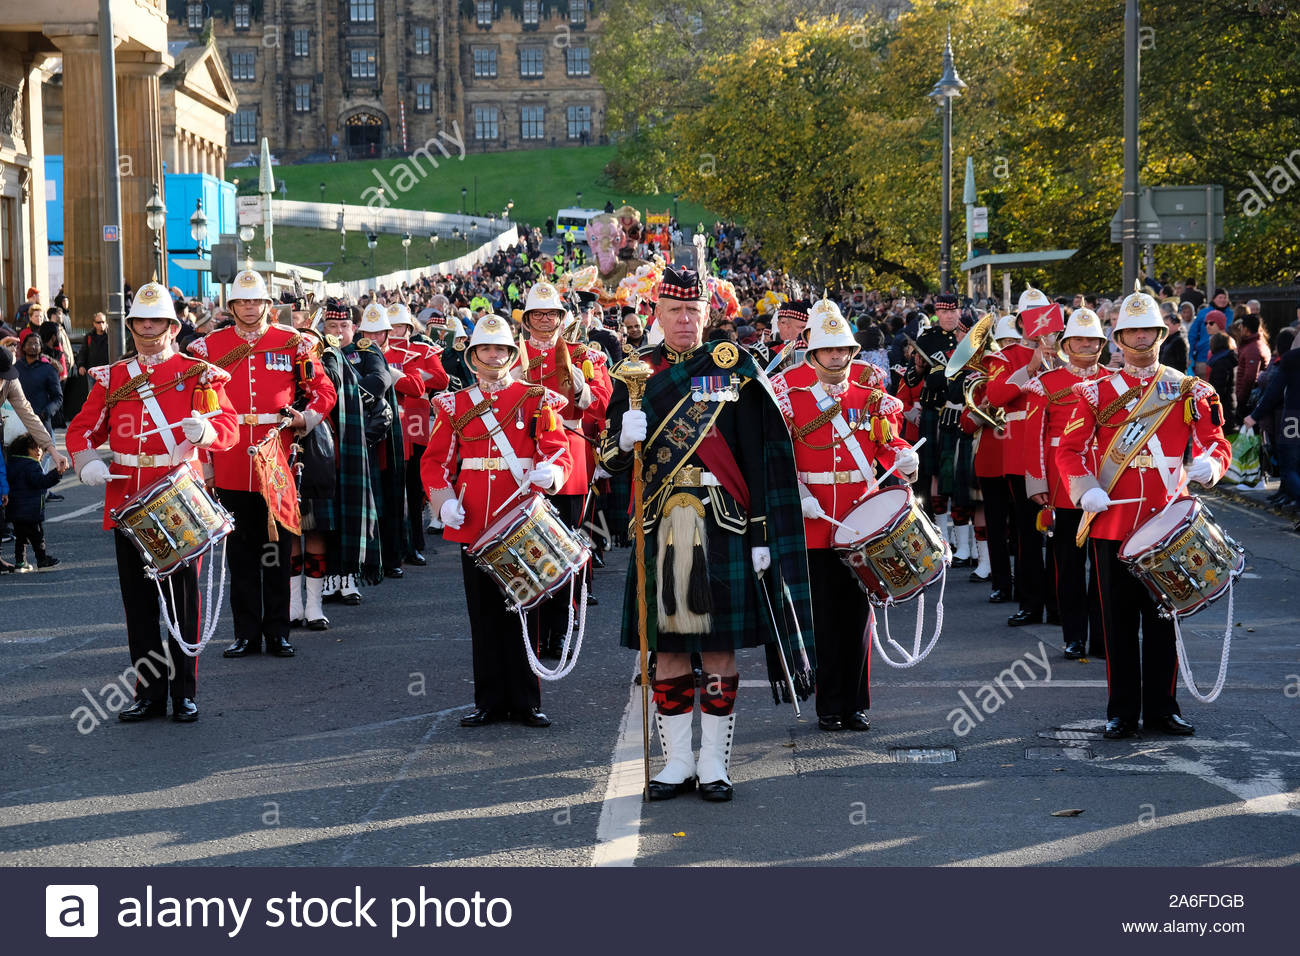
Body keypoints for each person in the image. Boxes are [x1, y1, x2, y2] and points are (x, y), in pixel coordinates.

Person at [599, 265, 815, 802]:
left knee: (719, 649)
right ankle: (676, 763)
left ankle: (715, 762)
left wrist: (763, 532)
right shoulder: (634, 374)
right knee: (668, 652)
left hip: (726, 523)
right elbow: (607, 460)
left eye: (693, 311)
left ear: (706, 314)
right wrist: (624, 443)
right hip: (659, 525)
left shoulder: (734, 366)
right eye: (674, 311)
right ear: (656, 314)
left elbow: (762, 454)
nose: (684, 321)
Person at [1057, 285, 1231, 739]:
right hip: (1112, 522)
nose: (1138, 339)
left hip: (1165, 525)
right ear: (1117, 338)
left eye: (1146, 331)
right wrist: (1086, 489)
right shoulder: (1095, 392)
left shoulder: (1186, 389)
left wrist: (1212, 464)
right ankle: (1122, 711)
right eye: (1130, 332)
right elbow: (1070, 451)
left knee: (1163, 622)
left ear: (1160, 332)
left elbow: (1217, 440)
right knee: (1116, 626)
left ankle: (1161, 709)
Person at [67, 281, 239, 722]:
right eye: (140, 321)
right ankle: (148, 692)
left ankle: (184, 691)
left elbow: (228, 423)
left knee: (183, 602)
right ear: (131, 327)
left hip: (179, 498)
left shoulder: (198, 373)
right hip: (127, 499)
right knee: (139, 605)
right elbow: (84, 429)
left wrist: (208, 432)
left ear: (172, 326)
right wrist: (86, 461)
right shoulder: (113, 378)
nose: (148, 328)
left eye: (156, 321)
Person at [421, 312, 573, 729]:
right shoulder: (454, 405)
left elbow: (557, 449)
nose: (493, 354)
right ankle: (488, 700)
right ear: (472, 355)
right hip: (473, 522)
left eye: (501, 348)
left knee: (526, 610)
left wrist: (553, 472)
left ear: (511, 353)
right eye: (485, 348)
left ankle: (526, 700)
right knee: (484, 615)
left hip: (521, 518)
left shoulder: (536, 398)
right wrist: (444, 500)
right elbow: (435, 462)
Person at [771, 298, 917, 732]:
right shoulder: (785, 390)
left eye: (844, 350)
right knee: (823, 616)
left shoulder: (871, 394)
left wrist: (904, 456)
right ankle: (828, 705)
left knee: (859, 616)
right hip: (813, 521)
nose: (838, 357)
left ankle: (855, 703)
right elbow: (777, 456)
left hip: (860, 521)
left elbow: (887, 443)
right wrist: (796, 493)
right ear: (812, 350)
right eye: (830, 350)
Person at [189, 269, 337, 660]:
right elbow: (199, 409)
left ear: (267, 305)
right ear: (232, 305)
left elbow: (322, 390)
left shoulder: (294, 343)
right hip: (232, 458)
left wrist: (305, 419)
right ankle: (245, 633)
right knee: (240, 554)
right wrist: (206, 464)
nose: (249, 307)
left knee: (277, 551)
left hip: (278, 458)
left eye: (256, 301)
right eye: (242, 301)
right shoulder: (209, 347)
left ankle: (278, 631)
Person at [517, 281, 613, 653]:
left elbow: (605, 405)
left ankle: (561, 627)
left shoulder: (583, 354)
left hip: (567, 455)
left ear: (561, 317)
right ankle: (530, 629)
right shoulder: (513, 354)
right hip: (521, 457)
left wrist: (582, 389)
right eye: (537, 314)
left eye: (551, 313)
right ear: (527, 320)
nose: (544, 320)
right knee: (525, 549)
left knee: (564, 546)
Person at [1024, 308, 1108, 660]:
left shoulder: (1115, 381)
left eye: (1092, 339)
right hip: (1063, 482)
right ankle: (1074, 635)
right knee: (1069, 564)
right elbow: (1033, 437)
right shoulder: (1046, 383)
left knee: (1105, 566)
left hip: (1106, 479)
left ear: (1102, 344)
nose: (1085, 345)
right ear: (1065, 344)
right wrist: (1036, 483)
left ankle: (1104, 637)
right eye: (1079, 339)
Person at [984, 286, 1059, 627]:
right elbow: (997, 395)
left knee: (1063, 536)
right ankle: (1031, 603)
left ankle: (1060, 605)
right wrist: (1030, 366)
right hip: (1020, 453)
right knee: (1028, 534)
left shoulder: (1066, 352)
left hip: (1059, 449)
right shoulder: (1005, 356)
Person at [384, 302, 449, 565]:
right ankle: (395, 544)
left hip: (416, 420)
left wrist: (414, 375)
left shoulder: (421, 349)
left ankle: (415, 542)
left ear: (410, 327)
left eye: (402, 326)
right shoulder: (379, 349)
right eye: (393, 326)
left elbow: (442, 380)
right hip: (391, 420)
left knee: (414, 485)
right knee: (392, 486)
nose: (398, 331)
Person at [5, 433, 61, 570]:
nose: (38, 451)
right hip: (30, 512)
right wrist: (57, 473)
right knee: (38, 537)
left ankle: (20, 563)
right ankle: (42, 560)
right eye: (34, 448)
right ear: (25, 449)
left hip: (15, 510)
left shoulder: (12, 463)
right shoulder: (31, 465)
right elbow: (41, 482)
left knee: (21, 538)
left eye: (40, 448)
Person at [15, 329, 62, 439]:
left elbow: (58, 397)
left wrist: (47, 412)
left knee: (45, 454)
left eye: (36, 343)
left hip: (41, 421)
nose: (32, 346)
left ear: (41, 347)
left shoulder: (49, 369)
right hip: (18, 419)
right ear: (23, 347)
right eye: (29, 343)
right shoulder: (16, 368)